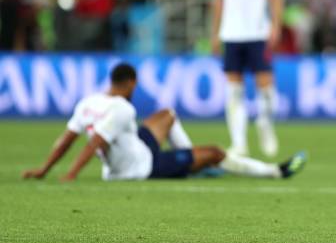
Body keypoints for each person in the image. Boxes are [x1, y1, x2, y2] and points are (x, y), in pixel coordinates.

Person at [22, 63, 305, 182]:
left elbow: (67, 139)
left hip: (134, 147)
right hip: (141, 166)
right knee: (216, 153)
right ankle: (275, 172)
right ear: (130, 83)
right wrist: (71, 175)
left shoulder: (88, 103)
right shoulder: (122, 108)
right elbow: (96, 142)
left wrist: (43, 170)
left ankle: (193, 165)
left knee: (168, 114)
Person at [211, 0, 284, 157]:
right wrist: (215, 31)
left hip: (258, 32)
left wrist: (275, 24)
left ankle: (265, 124)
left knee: (266, 87)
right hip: (231, 34)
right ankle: (239, 142)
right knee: (234, 90)